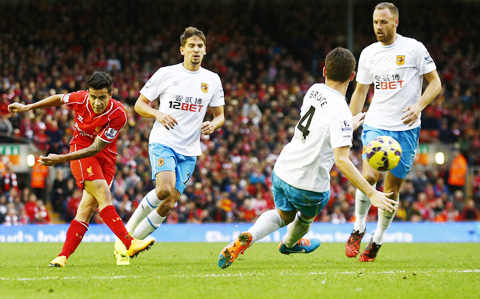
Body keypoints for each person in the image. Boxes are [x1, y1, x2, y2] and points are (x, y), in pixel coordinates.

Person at [217, 47, 397, 269]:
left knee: (284, 215)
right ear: (352, 76)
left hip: (283, 170)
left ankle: (249, 236)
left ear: (324, 71)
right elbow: (341, 160)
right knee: (305, 216)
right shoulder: (340, 110)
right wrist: (371, 192)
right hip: (310, 184)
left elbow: (320, 124)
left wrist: (348, 125)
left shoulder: (314, 90)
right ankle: (290, 243)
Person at [8, 72, 154, 267]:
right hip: (80, 150)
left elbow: (96, 147)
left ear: (111, 94)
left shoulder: (118, 114)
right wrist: (29, 106)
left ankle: (62, 256)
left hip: (105, 158)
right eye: (93, 96)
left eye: (102, 97)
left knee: (86, 210)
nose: (97, 102)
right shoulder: (80, 98)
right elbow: (59, 99)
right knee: (103, 194)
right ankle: (129, 242)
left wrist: (59, 159)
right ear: (88, 93)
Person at [113, 27, 225, 265]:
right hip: (164, 141)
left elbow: (220, 115)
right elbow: (140, 105)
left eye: (200, 46)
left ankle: (127, 247)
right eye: (192, 46)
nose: (196, 50)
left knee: (169, 201)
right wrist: (158, 114)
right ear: (182, 50)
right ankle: (124, 237)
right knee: (163, 189)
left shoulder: (212, 80)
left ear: (205, 51)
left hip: (190, 149)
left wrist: (214, 124)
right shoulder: (166, 74)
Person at [345, 2, 442, 262]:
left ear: (395, 22)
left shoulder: (414, 48)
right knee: (369, 175)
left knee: (391, 191)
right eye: (375, 22)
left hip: (407, 130)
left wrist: (420, 104)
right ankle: (359, 227)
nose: (378, 26)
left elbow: (436, 83)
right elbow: (361, 92)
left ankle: (377, 239)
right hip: (376, 124)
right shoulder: (368, 53)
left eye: (384, 22)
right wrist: (350, 122)